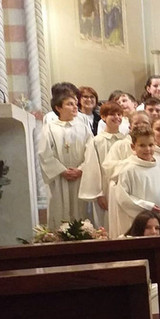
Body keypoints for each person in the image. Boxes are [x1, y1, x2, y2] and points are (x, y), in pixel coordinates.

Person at [110, 124, 160, 275]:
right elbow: (123, 197)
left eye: (150, 145)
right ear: (133, 146)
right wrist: (147, 206)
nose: (147, 149)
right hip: (142, 221)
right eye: (142, 145)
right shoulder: (128, 169)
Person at [39, 91, 100, 228]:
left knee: (80, 212)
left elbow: (91, 152)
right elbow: (44, 153)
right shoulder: (50, 128)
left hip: (80, 177)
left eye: (75, 104)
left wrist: (81, 169)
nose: (75, 108)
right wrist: (62, 171)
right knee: (60, 209)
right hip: (59, 178)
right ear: (58, 108)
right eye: (69, 104)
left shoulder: (84, 128)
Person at [86, 100, 125, 229]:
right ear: (103, 117)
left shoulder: (126, 140)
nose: (117, 117)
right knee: (105, 226)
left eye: (119, 114)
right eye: (112, 114)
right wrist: (99, 194)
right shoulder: (96, 141)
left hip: (124, 189)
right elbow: (92, 169)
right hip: (105, 189)